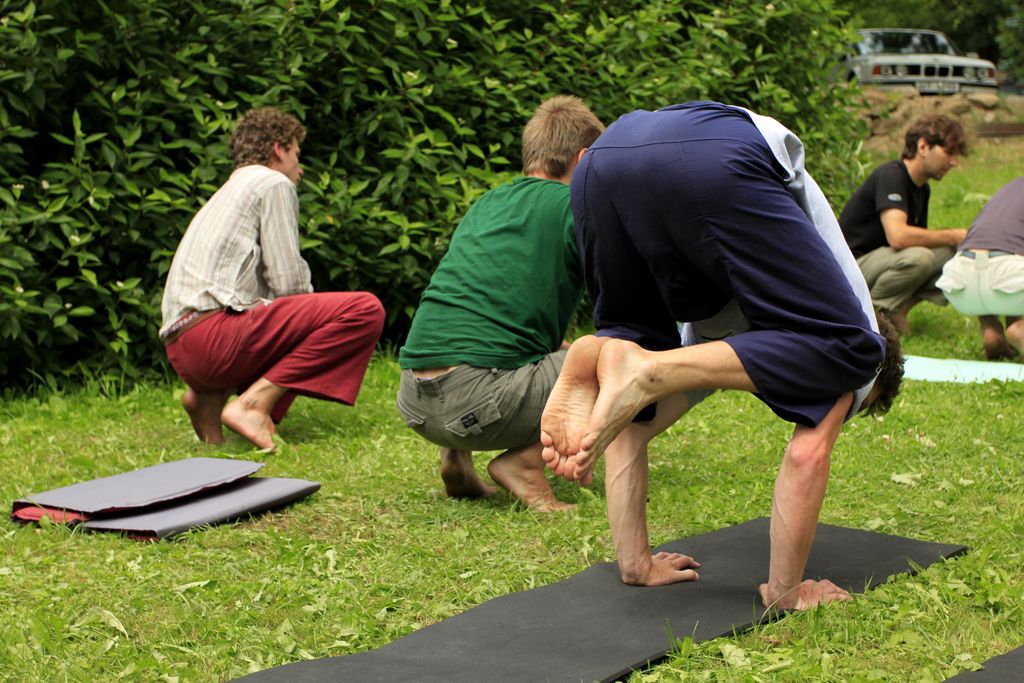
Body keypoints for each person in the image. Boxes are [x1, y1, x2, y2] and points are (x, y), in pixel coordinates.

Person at [539, 101, 903, 611]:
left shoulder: (726, 338)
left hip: (602, 162)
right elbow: (806, 453)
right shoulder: (850, 330)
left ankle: (603, 349)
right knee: (850, 352)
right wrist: (785, 591)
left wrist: (637, 562)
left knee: (632, 382)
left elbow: (632, 427)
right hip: (717, 156)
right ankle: (639, 362)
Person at [396, 96, 605, 511]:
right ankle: (524, 464)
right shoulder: (574, 208)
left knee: (531, 347)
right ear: (583, 160)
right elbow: (616, 308)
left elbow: (495, 303)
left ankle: (456, 458)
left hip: (414, 399)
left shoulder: (489, 202)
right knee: (611, 353)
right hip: (476, 404)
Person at [160, 107, 385, 450]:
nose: (300, 166)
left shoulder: (230, 191)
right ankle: (251, 406)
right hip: (213, 339)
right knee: (363, 310)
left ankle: (207, 398)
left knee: (274, 312)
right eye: (297, 154)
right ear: (279, 149)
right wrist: (317, 320)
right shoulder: (272, 182)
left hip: (183, 348)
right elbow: (289, 284)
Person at [839, 114, 969, 334]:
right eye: (949, 153)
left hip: (883, 261)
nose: (954, 162)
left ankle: (897, 311)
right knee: (920, 257)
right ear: (923, 146)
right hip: (851, 270)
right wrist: (953, 234)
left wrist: (957, 242)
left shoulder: (922, 188)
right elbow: (898, 236)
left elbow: (918, 238)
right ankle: (871, 317)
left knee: (954, 255)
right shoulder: (891, 175)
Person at [936, 176, 1024, 360]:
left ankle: (990, 329)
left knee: (999, 259)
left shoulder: (1012, 187)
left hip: (960, 282)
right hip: (1010, 279)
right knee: (1009, 270)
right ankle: (1019, 330)